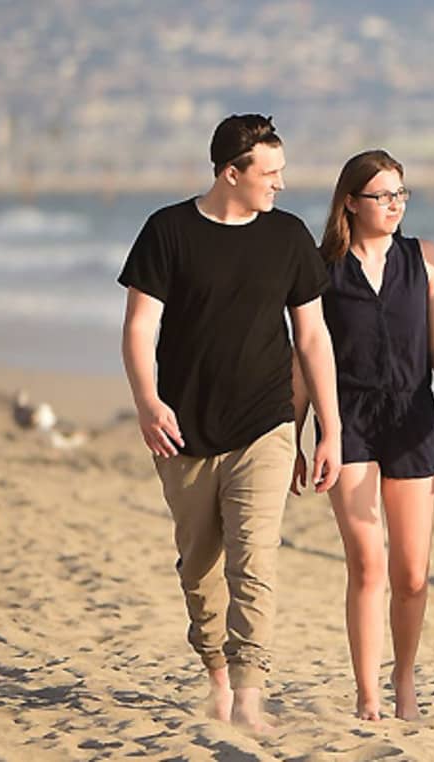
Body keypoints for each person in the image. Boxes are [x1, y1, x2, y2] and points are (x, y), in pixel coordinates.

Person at [119, 114, 342, 733]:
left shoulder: (289, 237)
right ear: (231, 172)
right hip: (182, 426)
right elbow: (139, 328)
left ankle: (249, 691)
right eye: (270, 173)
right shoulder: (167, 231)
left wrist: (330, 426)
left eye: (282, 171)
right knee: (199, 567)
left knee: (256, 558)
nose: (281, 183)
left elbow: (314, 337)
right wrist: (146, 401)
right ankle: (216, 668)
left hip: (266, 421)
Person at [291, 149, 434, 721]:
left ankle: (404, 677)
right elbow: (305, 357)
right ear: (350, 202)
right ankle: (368, 693)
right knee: (368, 564)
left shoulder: (426, 259)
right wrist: (297, 434)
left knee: (412, 574)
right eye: (382, 195)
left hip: (415, 418)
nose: (394, 205)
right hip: (347, 421)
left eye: (400, 194)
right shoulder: (321, 269)